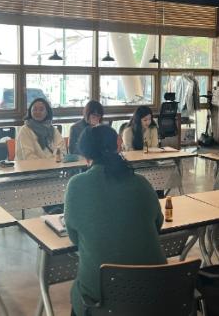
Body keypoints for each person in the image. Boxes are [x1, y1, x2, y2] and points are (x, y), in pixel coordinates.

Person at [65, 125, 166, 316]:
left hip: (103, 299)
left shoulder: (76, 185)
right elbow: (157, 224)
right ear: (118, 145)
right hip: (158, 292)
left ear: (84, 153)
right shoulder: (141, 182)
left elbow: (74, 237)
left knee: (78, 293)